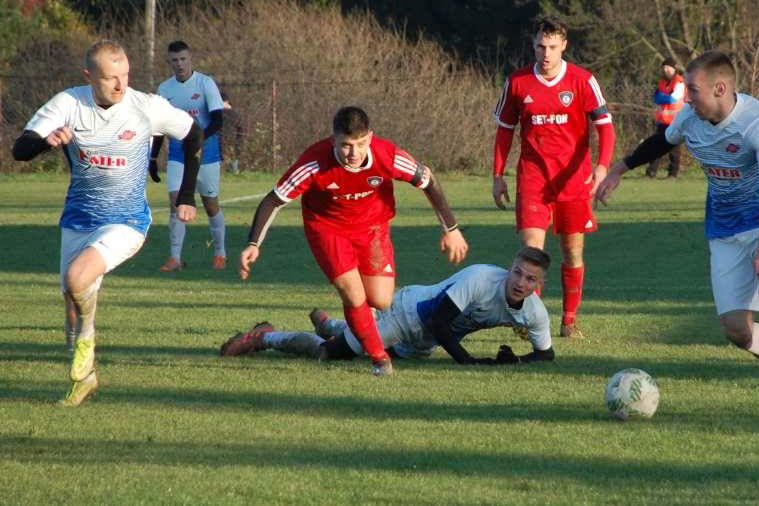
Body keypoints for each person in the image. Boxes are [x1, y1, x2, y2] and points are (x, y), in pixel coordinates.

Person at [595, 50, 759, 423]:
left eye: (693, 90)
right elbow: (662, 140)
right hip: (723, 229)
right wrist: (618, 170)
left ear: (720, 88)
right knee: (738, 332)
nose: (687, 97)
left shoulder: (758, 122)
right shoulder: (691, 118)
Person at [11, 39, 203, 406]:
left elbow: (193, 134)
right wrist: (46, 142)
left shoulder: (144, 106)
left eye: (125, 75)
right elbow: (20, 149)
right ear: (89, 76)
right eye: (111, 78)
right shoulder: (69, 104)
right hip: (78, 218)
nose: (120, 85)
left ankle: (89, 337)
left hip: (127, 220)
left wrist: (186, 195)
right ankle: (86, 375)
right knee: (71, 302)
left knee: (77, 279)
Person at [238, 106, 469, 376]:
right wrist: (253, 244)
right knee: (353, 293)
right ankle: (379, 359)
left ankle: (334, 328)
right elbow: (273, 200)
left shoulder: (388, 156)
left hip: (372, 229)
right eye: (346, 145)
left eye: (360, 144)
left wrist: (451, 229)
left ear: (370, 138)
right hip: (327, 229)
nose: (353, 153)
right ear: (333, 139)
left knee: (381, 301)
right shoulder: (314, 162)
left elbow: (428, 181)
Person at [492, 16, 615, 340]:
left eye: (551, 47)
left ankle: (569, 320)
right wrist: (497, 174)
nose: (545, 53)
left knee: (573, 252)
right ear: (533, 45)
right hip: (533, 180)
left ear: (564, 46)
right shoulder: (518, 83)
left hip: (574, 182)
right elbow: (504, 132)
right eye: (540, 46)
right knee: (532, 253)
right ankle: (531, 321)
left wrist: (601, 168)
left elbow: (605, 127)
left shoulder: (582, 80)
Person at [221, 247, 554, 366]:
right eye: (517, 272)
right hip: (406, 314)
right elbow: (440, 321)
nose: (520, 282)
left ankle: (336, 324)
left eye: (529, 279)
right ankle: (265, 337)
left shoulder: (534, 312)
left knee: (356, 339)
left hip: (422, 343)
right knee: (330, 353)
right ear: (509, 269)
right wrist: (468, 362)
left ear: (538, 285)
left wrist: (515, 362)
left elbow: (546, 355)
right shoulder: (482, 279)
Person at [151, 40, 227, 271]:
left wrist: (199, 139)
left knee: (210, 203)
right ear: (169, 62)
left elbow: (218, 120)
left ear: (190, 58)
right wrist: (153, 158)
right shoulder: (164, 90)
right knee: (175, 202)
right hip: (178, 152)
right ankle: (175, 258)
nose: (179, 64)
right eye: (174, 60)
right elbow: (158, 127)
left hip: (207, 152)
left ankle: (220, 252)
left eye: (183, 59)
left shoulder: (205, 83)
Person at [646, 57, 685, 178]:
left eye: (668, 67)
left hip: (676, 121)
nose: (665, 70)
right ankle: (651, 172)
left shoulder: (679, 82)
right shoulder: (662, 82)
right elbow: (655, 98)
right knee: (656, 146)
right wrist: (664, 97)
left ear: (674, 68)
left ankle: (673, 173)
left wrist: (663, 97)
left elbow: (673, 99)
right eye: (664, 67)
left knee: (674, 149)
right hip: (662, 121)